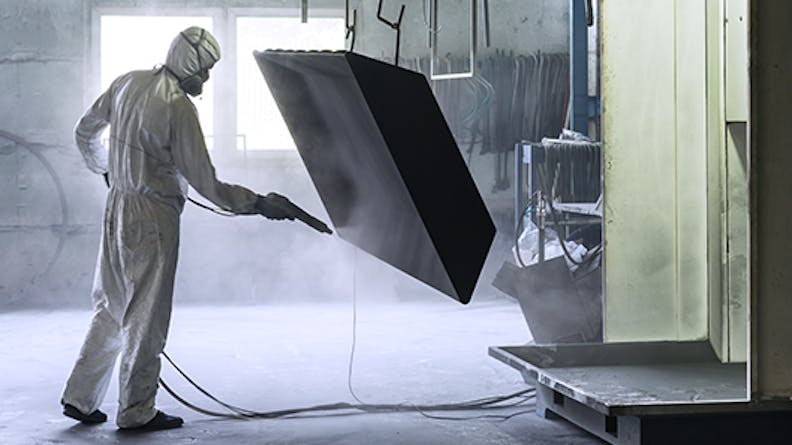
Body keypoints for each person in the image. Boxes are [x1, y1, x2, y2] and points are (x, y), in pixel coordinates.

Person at [60, 26, 329, 431]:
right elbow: (208, 183)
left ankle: (79, 399)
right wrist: (257, 203)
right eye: (204, 70)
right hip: (152, 218)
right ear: (190, 66)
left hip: (117, 205)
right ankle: (136, 411)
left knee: (111, 305)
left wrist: (105, 168)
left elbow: (85, 130)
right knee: (147, 315)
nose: (206, 79)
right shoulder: (178, 108)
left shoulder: (127, 82)